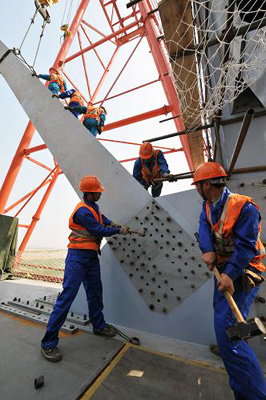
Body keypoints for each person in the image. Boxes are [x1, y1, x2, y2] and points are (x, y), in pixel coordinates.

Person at [194, 161, 266, 400]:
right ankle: (242, 388)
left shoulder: (244, 207)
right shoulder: (207, 206)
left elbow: (246, 247)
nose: (197, 190)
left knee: (228, 334)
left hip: (243, 273)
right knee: (227, 328)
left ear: (207, 184)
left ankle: (254, 395)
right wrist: (208, 250)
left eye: (198, 185)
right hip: (224, 272)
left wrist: (229, 274)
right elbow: (204, 229)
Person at [41, 175, 129, 362]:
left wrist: (112, 223)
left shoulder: (92, 207)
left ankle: (99, 325)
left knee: (95, 291)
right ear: (89, 193)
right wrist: (117, 230)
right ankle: (48, 343)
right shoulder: (82, 212)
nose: (100, 194)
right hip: (77, 258)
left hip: (90, 258)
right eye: (97, 192)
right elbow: (97, 230)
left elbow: (101, 219)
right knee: (67, 297)